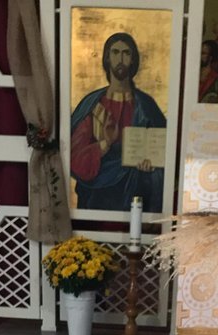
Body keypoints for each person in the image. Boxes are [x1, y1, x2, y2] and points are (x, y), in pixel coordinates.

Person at [70, 32, 166, 212]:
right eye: (115, 52)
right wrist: (105, 144)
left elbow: (165, 153)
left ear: (133, 59)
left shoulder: (146, 106)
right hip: (96, 199)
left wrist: (151, 166)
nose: (120, 59)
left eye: (126, 53)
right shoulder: (93, 105)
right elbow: (75, 156)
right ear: (107, 58)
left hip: (136, 197)